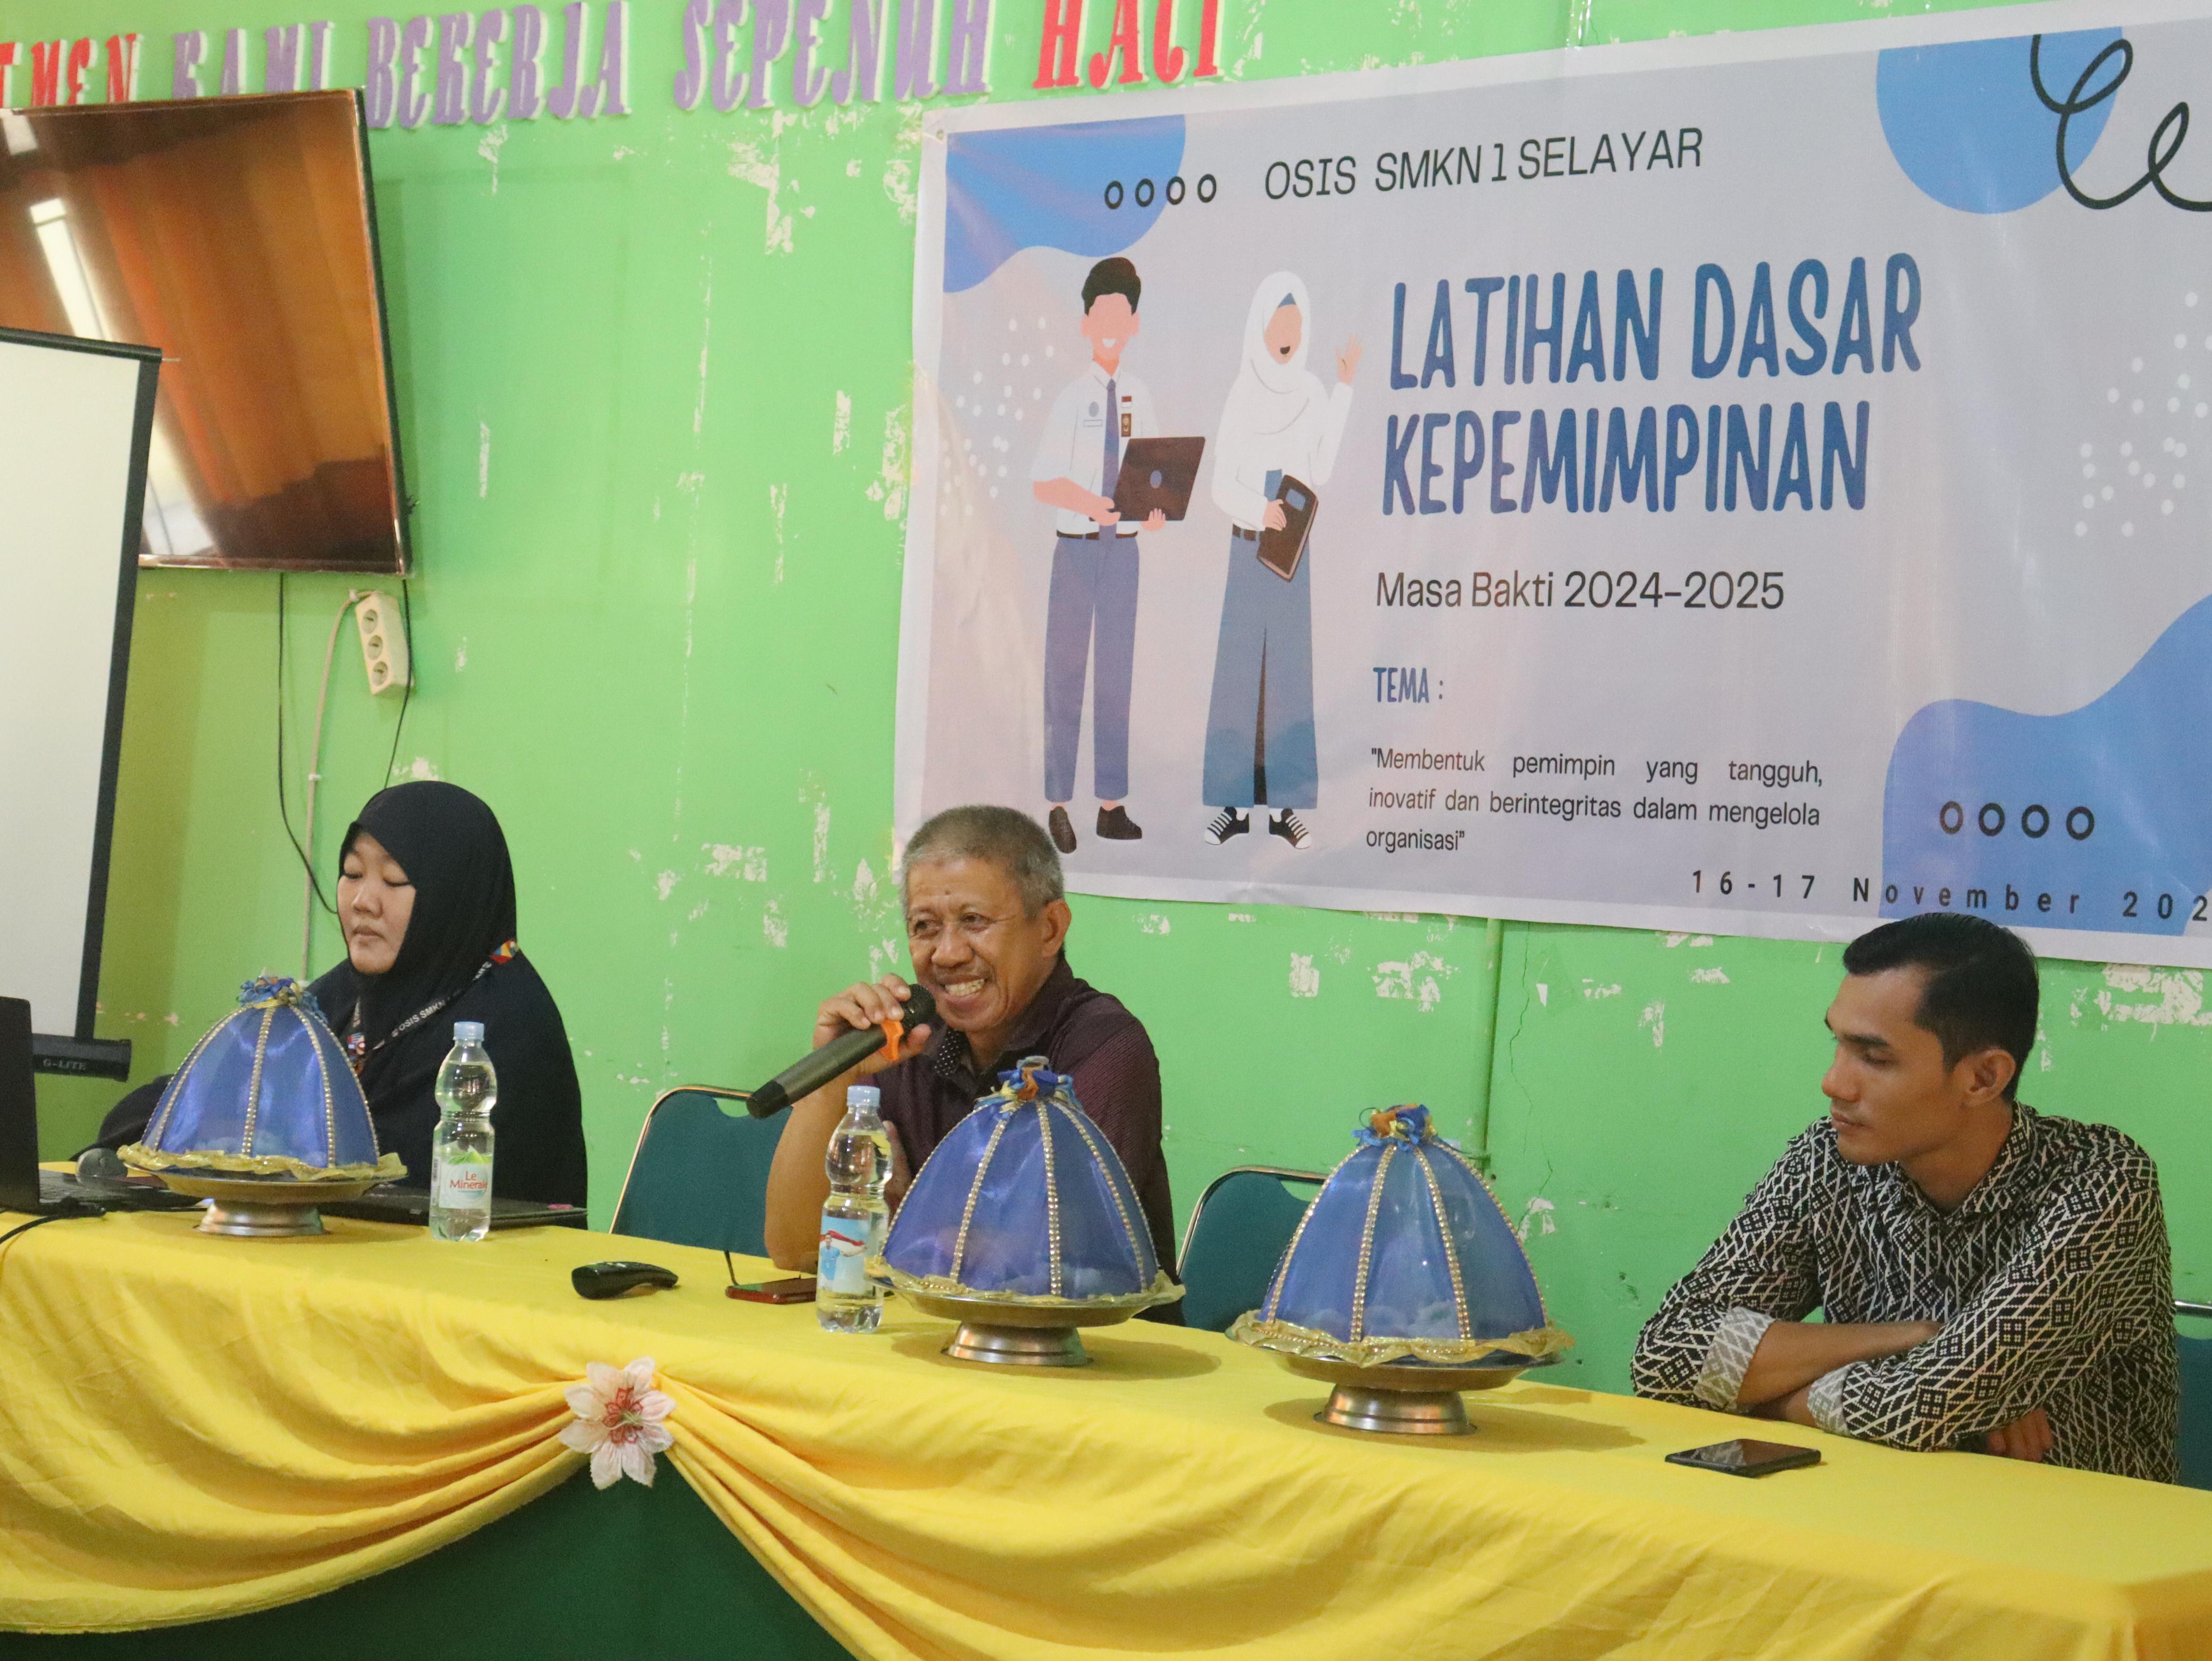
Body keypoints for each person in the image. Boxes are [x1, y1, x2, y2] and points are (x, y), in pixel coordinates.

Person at [1632, 913, 2178, 1481]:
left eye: (1874, 1058)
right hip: (1871, 1503)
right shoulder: (1827, 1159)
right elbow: (1664, 1355)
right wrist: (1914, 1338)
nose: (1833, 1083)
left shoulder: (2101, 1180)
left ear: (1982, 1078)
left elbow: (1921, 1407)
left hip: (2072, 1518)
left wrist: (1763, 1397)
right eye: (1838, 1043)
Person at [95, 781, 588, 1208]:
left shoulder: (510, 1023)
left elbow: (407, 1176)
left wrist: (253, 1136)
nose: (362, 901)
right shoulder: (347, 993)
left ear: (453, 894)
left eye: (394, 880)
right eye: (352, 873)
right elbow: (226, 1086)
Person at [764, 804, 1175, 1304]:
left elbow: (1046, 1262)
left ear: (1050, 928)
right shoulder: (908, 1041)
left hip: (1086, 1347)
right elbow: (796, 1248)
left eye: (974, 921)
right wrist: (834, 1080)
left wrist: (908, 1220)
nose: (948, 953)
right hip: (929, 1337)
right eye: (925, 926)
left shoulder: (1104, 1045)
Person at [1200, 271, 1361, 851]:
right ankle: (1234, 807)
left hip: (1291, 550)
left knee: (1289, 673)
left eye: (1295, 324)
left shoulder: (1311, 392)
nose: (1287, 334)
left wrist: (1344, 388)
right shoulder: (1242, 394)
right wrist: (1257, 508)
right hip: (1248, 545)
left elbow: (1319, 469)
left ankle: (1286, 809)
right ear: (1260, 328)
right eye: (1278, 323)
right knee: (1240, 673)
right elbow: (1221, 484)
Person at [1029, 257, 1168, 856]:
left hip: (1123, 555)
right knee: (1065, 676)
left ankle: (1111, 805)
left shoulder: (1140, 395)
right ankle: (1058, 804)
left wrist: (1155, 511)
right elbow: (1044, 483)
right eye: (1101, 315)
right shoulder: (1071, 400)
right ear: (1086, 323)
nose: (1111, 327)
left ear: (1134, 324)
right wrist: (1092, 504)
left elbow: (1154, 470)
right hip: (1077, 552)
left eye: (1122, 315)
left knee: (1116, 678)